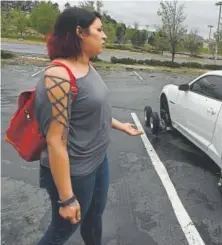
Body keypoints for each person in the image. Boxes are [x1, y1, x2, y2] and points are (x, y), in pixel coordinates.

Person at [34, 7, 143, 245]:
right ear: (80, 33)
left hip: (98, 159)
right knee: (62, 230)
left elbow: (89, 110)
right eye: (100, 30)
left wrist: (119, 126)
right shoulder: (58, 77)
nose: (105, 36)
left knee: (94, 218)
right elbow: (55, 140)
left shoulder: (87, 64)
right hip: (76, 170)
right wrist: (66, 198)